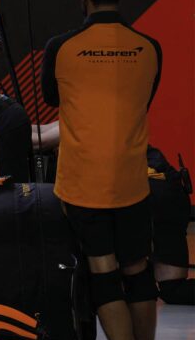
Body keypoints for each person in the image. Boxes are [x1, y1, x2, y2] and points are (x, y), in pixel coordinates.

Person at [41, 0, 169, 340]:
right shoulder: (149, 48)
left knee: (104, 273)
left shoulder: (61, 49)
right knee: (137, 271)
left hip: (83, 183)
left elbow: (55, 101)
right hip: (133, 180)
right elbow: (142, 99)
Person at [34, 123, 194, 306]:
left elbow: (40, 140)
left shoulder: (89, 117)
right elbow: (42, 130)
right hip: (163, 192)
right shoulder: (80, 113)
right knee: (173, 290)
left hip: (151, 192)